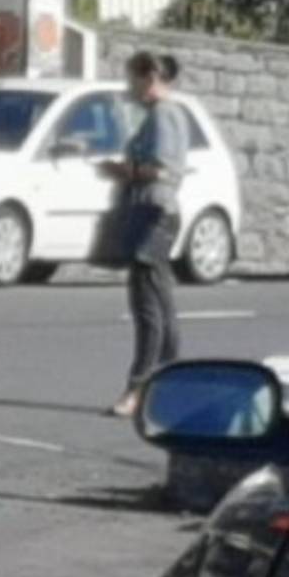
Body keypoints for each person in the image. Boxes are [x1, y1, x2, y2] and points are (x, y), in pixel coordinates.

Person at [101, 52, 189, 417]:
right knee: (162, 304)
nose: (131, 87)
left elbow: (163, 169)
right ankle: (169, 383)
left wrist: (123, 170)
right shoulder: (171, 113)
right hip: (159, 212)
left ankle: (138, 389)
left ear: (150, 76)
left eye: (134, 79)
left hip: (153, 213)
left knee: (147, 306)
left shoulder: (164, 114)